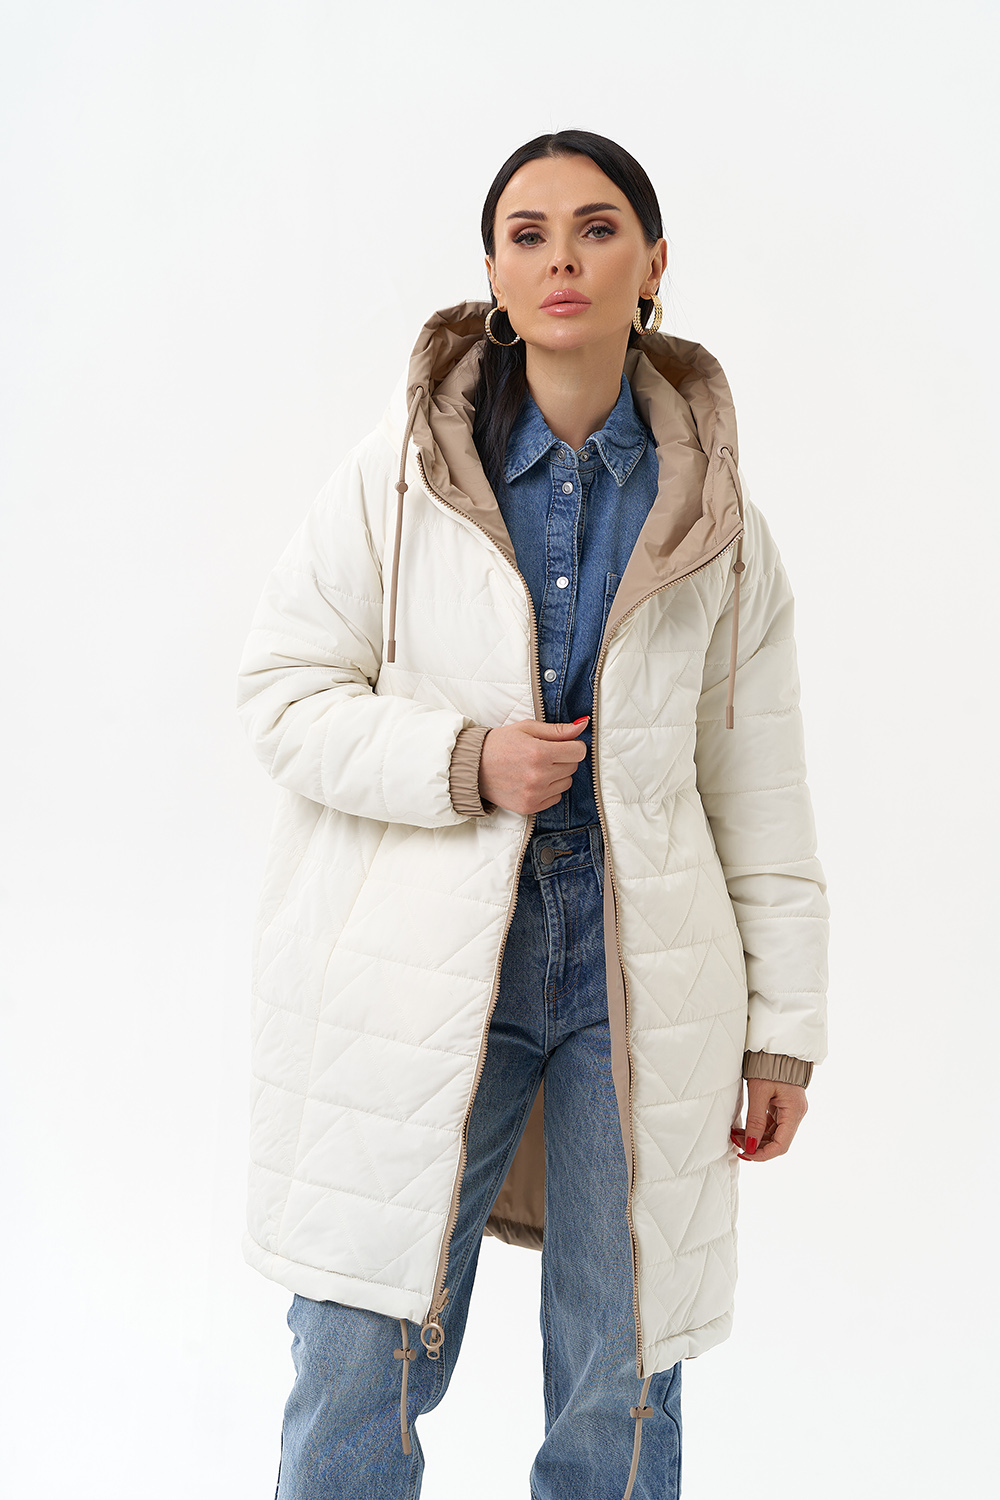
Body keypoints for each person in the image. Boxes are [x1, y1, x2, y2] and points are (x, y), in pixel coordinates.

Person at [235, 128, 830, 1500]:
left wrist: (784, 1034)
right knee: (359, 1350)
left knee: (623, 1370)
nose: (563, 258)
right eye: (529, 234)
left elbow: (760, 790)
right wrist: (466, 762)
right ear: (496, 277)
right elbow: (280, 694)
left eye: (597, 228)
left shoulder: (721, 523)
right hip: (421, 953)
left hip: (643, 968)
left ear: (653, 265)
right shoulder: (398, 476)